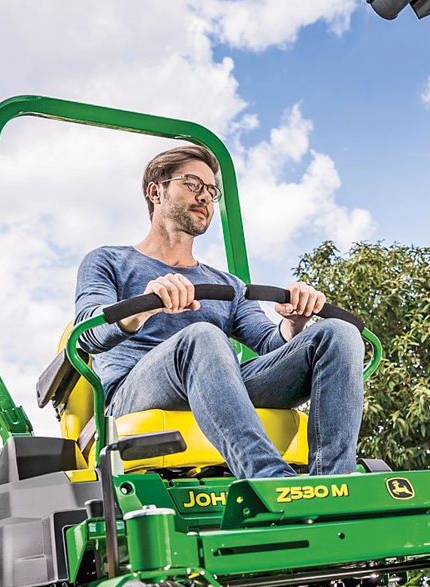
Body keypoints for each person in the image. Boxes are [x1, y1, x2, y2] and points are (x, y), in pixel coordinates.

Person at [73, 145, 364, 479]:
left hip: (220, 387)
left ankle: (334, 482)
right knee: (203, 336)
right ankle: (269, 480)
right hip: (133, 394)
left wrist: (294, 322)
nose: (205, 198)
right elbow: (88, 333)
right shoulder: (108, 261)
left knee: (339, 333)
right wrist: (141, 307)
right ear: (156, 191)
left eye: (211, 191)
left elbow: (273, 347)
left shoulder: (227, 285)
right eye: (192, 185)